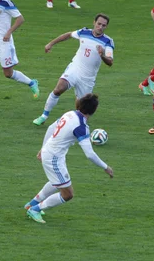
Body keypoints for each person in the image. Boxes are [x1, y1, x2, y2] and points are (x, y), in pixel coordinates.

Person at [25, 93, 114, 224]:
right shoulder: (81, 127)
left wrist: (43, 148)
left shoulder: (69, 114)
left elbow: (51, 128)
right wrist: (106, 167)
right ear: (93, 111)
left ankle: (31, 204)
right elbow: (89, 154)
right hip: (54, 158)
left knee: (57, 182)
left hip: (52, 153)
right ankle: (35, 209)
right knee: (68, 194)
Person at [32, 14, 114, 125]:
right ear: (94, 22)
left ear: (106, 27)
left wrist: (102, 55)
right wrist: (51, 43)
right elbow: (68, 35)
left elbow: (110, 62)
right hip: (74, 69)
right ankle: (43, 116)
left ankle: (75, 125)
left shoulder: (108, 41)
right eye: (99, 24)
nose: (100, 27)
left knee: (82, 109)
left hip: (88, 78)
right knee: (58, 89)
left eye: (103, 25)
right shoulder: (84, 32)